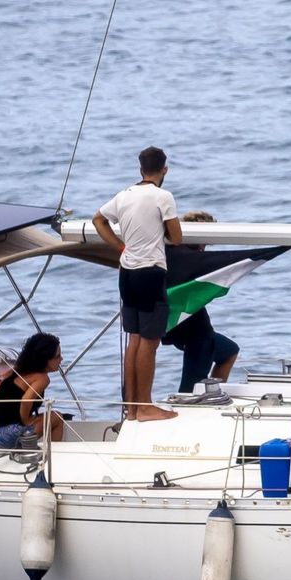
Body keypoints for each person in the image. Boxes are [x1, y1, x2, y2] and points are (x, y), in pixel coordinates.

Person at [92, 145, 182, 422]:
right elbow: (176, 238)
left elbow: (98, 220)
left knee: (134, 339)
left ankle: (132, 407)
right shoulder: (162, 196)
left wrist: (120, 246)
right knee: (150, 342)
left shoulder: (123, 195)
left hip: (127, 272)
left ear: (141, 169)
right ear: (164, 170)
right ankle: (145, 406)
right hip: (150, 272)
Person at [163, 211, 240, 394]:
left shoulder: (170, 253)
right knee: (190, 386)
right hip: (195, 332)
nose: (205, 247)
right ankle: (192, 408)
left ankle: (212, 395)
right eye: (204, 241)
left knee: (229, 351)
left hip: (182, 325)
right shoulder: (189, 258)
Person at [0, 333, 67, 448]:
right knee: (56, 417)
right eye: (57, 356)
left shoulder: (17, 370)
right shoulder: (42, 378)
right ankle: (52, 456)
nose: (61, 359)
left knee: (42, 418)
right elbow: (26, 400)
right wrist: (27, 420)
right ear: (45, 360)